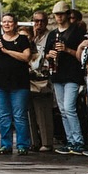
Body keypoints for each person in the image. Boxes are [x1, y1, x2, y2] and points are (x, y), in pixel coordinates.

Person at [0, 12, 34, 156]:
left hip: (19, 84)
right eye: (4, 22)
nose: (6, 24)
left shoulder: (23, 39)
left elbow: (26, 57)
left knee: (19, 115)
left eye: (10, 22)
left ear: (15, 24)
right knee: (3, 115)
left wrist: (6, 51)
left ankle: (22, 144)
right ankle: (5, 144)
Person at [46, 1, 88, 154]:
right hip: (57, 74)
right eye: (56, 15)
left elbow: (82, 55)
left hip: (72, 74)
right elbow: (46, 53)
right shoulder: (52, 34)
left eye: (61, 14)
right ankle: (70, 140)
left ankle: (78, 140)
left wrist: (67, 50)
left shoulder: (76, 32)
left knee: (70, 107)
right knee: (63, 109)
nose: (58, 17)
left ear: (67, 15)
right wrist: (49, 55)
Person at [26, 11, 55, 152]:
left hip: (43, 77)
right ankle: (34, 141)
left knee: (43, 111)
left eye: (41, 21)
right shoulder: (32, 37)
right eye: (36, 21)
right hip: (29, 77)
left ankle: (47, 141)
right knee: (30, 111)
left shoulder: (51, 36)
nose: (39, 24)